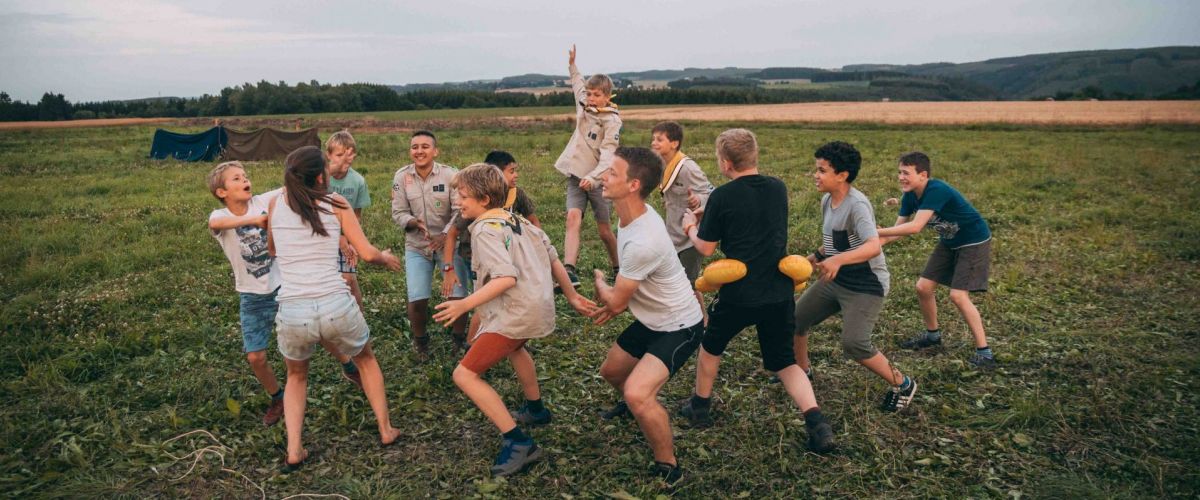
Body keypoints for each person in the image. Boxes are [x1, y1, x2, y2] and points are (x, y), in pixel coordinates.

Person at [431, 164, 597, 477]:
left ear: (483, 199)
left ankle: (520, 444)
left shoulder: (482, 228)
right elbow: (552, 256)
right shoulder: (515, 218)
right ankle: (536, 410)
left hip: (516, 311)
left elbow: (505, 278)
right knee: (516, 349)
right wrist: (572, 297)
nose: (458, 202)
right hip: (535, 305)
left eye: (463, 196)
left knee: (464, 375)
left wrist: (465, 304)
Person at [677, 129, 834, 453]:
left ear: (725, 162)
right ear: (754, 155)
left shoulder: (722, 195)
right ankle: (817, 422)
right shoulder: (777, 187)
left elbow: (706, 248)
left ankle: (700, 406)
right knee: (784, 361)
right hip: (778, 289)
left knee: (711, 346)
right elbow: (753, 216)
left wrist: (691, 226)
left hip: (739, 291)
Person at [266, 146, 403, 471]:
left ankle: (294, 449)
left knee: (296, 377)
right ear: (319, 175)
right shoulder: (336, 204)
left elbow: (272, 249)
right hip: (335, 303)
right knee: (366, 360)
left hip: (293, 309)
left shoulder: (274, 203)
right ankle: (386, 429)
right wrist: (385, 255)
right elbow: (368, 254)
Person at [206, 161, 362, 428]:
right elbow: (218, 223)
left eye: (245, 176)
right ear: (222, 192)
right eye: (236, 178)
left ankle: (348, 366)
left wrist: (327, 165)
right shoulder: (218, 215)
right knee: (256, 357)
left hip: (284, 288)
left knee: (318, 331)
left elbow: (293, 183)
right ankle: (277, 397)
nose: (245, 180)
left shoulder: (264, 200)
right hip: (252, 297)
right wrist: (254, 220)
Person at [591, 147, 705, 484]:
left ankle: (669, 466)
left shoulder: (644, 241)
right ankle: (635, 409)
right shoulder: (631, 214)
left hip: (680, 326)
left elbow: (615, 303)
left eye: (612, 172)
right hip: (652, 319)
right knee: (612, 372)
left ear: (633, 184)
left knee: (638, 392)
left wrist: (600, 282)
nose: (603, 176)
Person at [793, 141, 918, 413]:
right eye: (816, 169)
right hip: (836, 278)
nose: (815, 175)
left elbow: (873, 245)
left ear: (842, 175)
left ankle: (904, 384)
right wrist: (815, 257)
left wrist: (837, 260)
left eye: (822, 170)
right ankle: (803, 372)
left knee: (854, 343)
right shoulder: (828, 199)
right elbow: (835, 241)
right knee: (795, 320)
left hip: (865, 285)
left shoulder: (857, 205)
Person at [877, 151, 996, 369]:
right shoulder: (910, 196)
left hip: (973, 241)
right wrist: (874, 242)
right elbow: (895, 232)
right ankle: (933, 337)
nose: (900, 177)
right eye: (899, 172)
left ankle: (985, 353)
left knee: (958, 295)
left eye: (906, 173)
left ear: (923, 175)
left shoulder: (936, 190)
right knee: (923, 287)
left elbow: (914, 227)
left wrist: (878, 232)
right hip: (950, 242)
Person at [441, 150, 542, 346]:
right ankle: (474, 345)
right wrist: (448, 268)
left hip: (507, 259)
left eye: (515, 171)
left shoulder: (516, 196)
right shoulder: (475, 207)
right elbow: (452, 233)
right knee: (486, 303)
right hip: (474, 259)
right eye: (511, 171)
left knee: (490, 302)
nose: (516, 175)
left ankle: (494, 343)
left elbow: (535, 226)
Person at [390, 130, 470, 359]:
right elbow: (398, 211)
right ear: (410, 151)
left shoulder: (450, 175)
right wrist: (413, 222)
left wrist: (445, 235)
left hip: (449, 245)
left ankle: (458, 339)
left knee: (458, 294)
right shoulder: (401, 178)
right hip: (417, 245)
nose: (419, 151)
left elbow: (460, 210)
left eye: (425, 147)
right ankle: (421, 342)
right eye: (415, 147)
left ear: (435, 151)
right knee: (417, 298)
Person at [553, 44, 620, 288]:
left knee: (604, 230)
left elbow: (609, 155)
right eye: (590, 94)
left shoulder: (612, 121)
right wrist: (572, 64)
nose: (591, 98)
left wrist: (594, 178)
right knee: (572, 218)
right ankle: (569, 270)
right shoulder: (584, 104)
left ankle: (618, 267)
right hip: (575, 175)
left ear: (607, 96)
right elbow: (578, 84)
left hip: (599, 180)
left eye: (596, 95)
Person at [649, 121, 714, 283]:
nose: (653, 143)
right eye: (653, 139)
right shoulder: (661, 163)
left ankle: (694, 309)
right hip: (672, 233)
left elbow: (711, 193)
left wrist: (698, 199)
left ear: (674, 143)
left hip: (691, 237)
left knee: (686, 285)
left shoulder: (688, 168)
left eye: (659, 139)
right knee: (679, 285)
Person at [325, 130, 371, 310]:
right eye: (338, 155)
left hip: (346, 237)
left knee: (349, 280)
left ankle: (358, 318)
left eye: (348, 156)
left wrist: (351, 240)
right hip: (322, 236)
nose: (344, 160)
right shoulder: (322, 179)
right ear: (328, 155)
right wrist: (337, 238)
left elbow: (356, 216)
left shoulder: (358, 181)